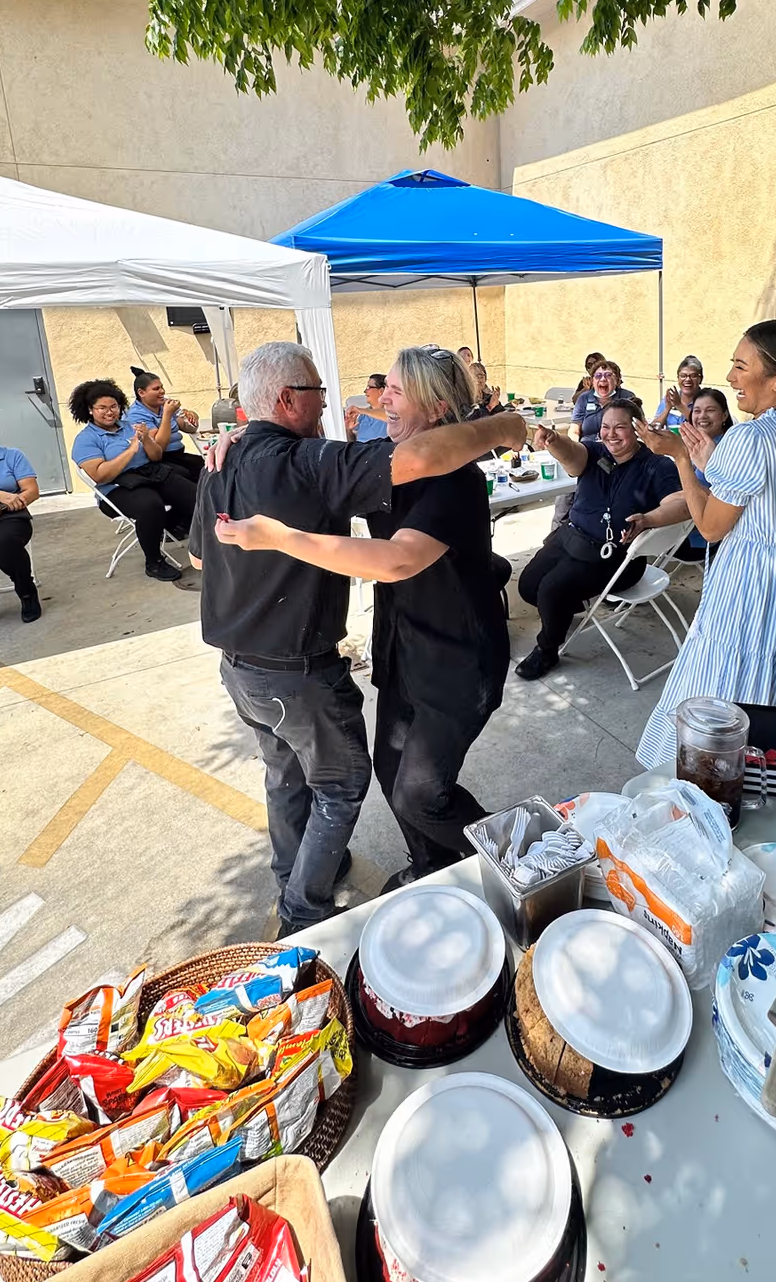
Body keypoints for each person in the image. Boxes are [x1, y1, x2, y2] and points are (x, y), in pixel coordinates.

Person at [190, 341, 527, 934]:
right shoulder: (359, 458)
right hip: (400, 646)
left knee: (418, 790)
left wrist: (276, 531)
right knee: (390, 775)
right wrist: (242, 435)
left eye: (393, 390)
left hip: (455, 655)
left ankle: (520, 858)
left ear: (436, 403)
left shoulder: (453, 483)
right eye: (382, 389)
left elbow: (396, 561)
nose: (377, 399)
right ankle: (430, 862)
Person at [633, 319, 776, 768]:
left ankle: (713, 776)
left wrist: (680, 457)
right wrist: (710, 460)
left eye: (740, 365)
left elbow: (712, 527)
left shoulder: (748, 437)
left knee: (726, 684)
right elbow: (765, 494)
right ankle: (769, 771)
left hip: (750, 581)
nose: (732, 377)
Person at [515, 401, 690, 680]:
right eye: (605, 427)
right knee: (528, 586)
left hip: (617, 557)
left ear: (637, 429)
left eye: (620, 427)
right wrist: (553, 439)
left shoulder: (655, 465)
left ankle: (547, 649)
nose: (611, 434)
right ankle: (566, 606)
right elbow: (572, 454)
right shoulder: (596, 452)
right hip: (572, 538)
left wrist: (647, 520)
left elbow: (682, 504)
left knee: (550, 589)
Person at [70, 379, 197, 582]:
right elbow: (101, 475)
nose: (110, 412)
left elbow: (155, 457)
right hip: (116, 488)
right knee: (150, 505)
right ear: (90, 410)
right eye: (102, 408)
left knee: (194, 493)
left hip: (149, 473)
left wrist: (146, 439)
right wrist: (130, 450)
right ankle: (154, 562)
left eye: (114, 406)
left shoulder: (130, 426)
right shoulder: (86, 439)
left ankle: (210, 543)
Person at [0, 409, 41, 624]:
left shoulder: (12, 455)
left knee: (3, 543)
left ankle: (27, 593)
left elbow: (31, 491)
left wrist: (2, 507)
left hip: (11, 514)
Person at [675, 388, 734, 561]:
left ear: (724, 416)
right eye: (697, 411)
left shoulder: (726, 448)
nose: (702, 416)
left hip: (698, 540)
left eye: (710, 410)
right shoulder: (698, 443)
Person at [126, 368, 203, 482]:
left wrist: (191, 417)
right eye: (156, 389)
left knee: (206, 465)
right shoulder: (137, 415)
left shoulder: (164, 404)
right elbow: (159, 447)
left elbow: (189, 428)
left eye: (162, 387)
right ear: (141, 392)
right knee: (191, 473)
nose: (162, 391)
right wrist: (167, 414)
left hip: (178, 455)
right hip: (161, 461)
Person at [569, 361, 641, 445]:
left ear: (617, 380)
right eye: (598, 376)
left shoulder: (627, 397)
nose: (602, 379)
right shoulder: (584, 398)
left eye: (608, 375)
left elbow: (638, 427)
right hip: (588, 448)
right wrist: (574, 447)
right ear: (593, 381)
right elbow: (574, 430)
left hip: (618, 447)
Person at [654, 356, 704, 428]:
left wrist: (679, 405)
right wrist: (667, 409)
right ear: (678, 378)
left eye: (693, 376)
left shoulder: (706, 400)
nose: (687, 379)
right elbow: (654, 427)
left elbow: (699, 425)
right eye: (683, 376)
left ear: (701, 379)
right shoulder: (671, 398)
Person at [345, 374, 388, 441]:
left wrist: (361, 410)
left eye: (369, 387)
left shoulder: (391, 412)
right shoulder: (363, 415)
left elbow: (388, 416)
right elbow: (353, 443)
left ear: (381, 391)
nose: (365, 391)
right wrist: (349, 430)